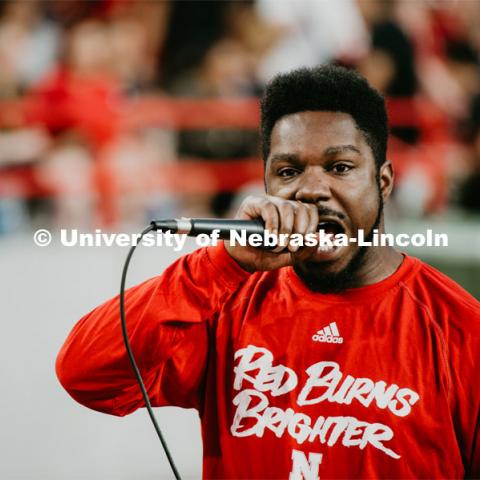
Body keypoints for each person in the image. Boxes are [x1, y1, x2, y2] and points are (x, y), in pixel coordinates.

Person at [56, 65, 480, 479]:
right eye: (288, 171)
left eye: (340, 168)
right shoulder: (225, 295)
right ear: (266, 184)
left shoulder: (459, 328)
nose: (311, 190)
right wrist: (221, 264)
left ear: (383, 181)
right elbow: (86, 375)